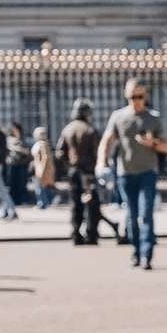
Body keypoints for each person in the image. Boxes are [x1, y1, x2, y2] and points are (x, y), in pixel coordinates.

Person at [97, 78, 167, 269]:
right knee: (131, 214)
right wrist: (101, 163)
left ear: (145, 96)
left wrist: (151, 143)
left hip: (147, 172)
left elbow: (165, 147)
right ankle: (136, 252)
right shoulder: (118, 117)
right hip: (125, 173)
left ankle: (147, 255)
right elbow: (107, 141)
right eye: (132, 96)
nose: (136, 100)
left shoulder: (153, 118)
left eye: (139, 96)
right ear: (126, 96)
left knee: (145, 214)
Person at [56, 99, 102, 243]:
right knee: (92, 202)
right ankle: (91, 233)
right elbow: (98, 152)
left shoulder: (67, 129)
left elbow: (59, 152)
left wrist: (69, 164)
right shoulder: (90, 130)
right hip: (88, 171)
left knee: (75, 203)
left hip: (74, 170)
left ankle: (76, 232)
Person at [30, 125, 56, 210]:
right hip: (37, 168)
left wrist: (43, 169)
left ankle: (43, 203)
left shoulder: (43, 145)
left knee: (40, 187)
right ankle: (43, 202)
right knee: (40, 187)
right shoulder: (39, 144)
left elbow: (46, 158)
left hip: (41, 169)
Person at [6, 121, 32, 206]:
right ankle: (14, 201)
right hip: (12, 163)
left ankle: (24, 200)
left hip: (22, 163)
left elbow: (27, 151)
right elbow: (7, 149)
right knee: (12, 183)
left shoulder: (23, 139)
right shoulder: (9, 139)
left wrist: (19, 149)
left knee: (22, 183)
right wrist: (18, 148)